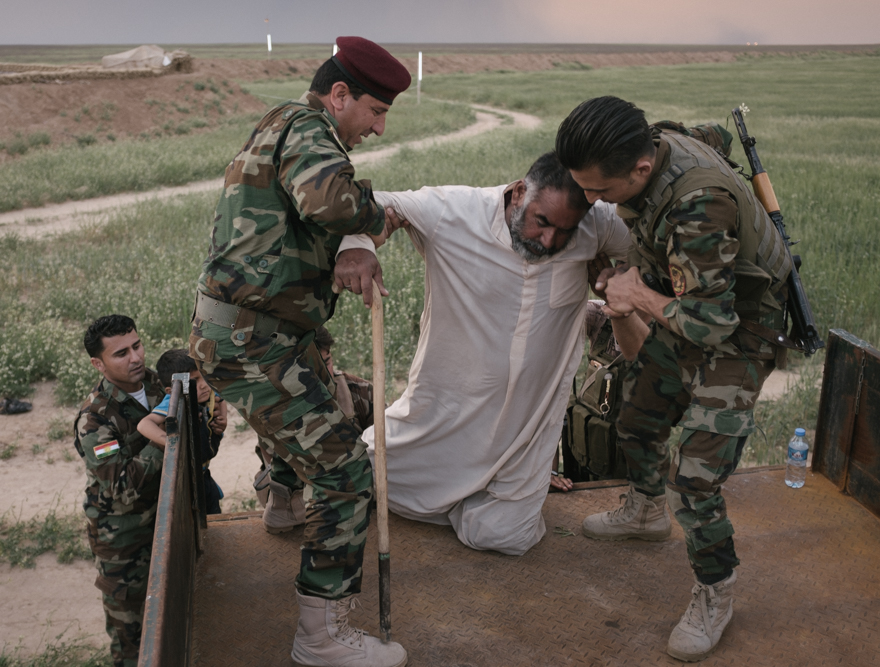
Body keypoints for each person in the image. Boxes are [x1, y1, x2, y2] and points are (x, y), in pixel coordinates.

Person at [187, 36, 411, 667]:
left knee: (319, 375)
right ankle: (321, 636)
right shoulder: (312, 130)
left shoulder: (282, 122)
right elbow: (332, 201)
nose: (378, 126)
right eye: (374, 110)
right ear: (338, 95)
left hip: (259, 331)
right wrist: (376, 216)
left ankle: (283, 502)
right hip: (250, 340)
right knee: (344, 473)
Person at [555, 96, 792, 662]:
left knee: (697, 476)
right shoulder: (659, 136)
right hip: (691, 303)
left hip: (741, 330)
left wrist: (636, 294)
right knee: (637, 415)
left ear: (640, 168)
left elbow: (712, 326)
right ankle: (645, 511)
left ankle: (715, 591)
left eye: (600, 191)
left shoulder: (700, 206)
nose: (591, 201)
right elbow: (715, 135)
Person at [333, 152, 638, 556]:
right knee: (357, 478)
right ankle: (451, 491)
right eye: (541, 222)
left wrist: (622, 277)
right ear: (516, 193)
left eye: (564, 232)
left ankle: (486, 496)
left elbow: (646, 248)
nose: (548, 242)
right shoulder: (451, 210)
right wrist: (356, 246)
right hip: (443, 421)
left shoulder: (596, 226)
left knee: (504, 537)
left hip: (523, 438)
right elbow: (365, 208)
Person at [74, 314, 165, 667]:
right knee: (133, 639)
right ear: (98, 363)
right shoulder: (95, 420)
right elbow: (123, 485)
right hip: (124, 544)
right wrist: (167, 434)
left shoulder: (159, 386)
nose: (136, 358)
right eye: (121, 353)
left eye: (137, 346)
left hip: (166, 521)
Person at [253, 326, 374, 531]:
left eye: (326, 362)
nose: (322, 372)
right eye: (311, 366)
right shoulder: (277, 407)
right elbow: (277, 467)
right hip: (299, 496)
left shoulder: (359, 393)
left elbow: (389, 444)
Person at [138, 348, 228, 514]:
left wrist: (223, 419)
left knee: (213, 515)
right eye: (195, 380)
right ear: (172, 391)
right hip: (185, 483)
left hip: (204, 474)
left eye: (204, 376)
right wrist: (171, 441)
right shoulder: (174, 400)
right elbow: (144, 424)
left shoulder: (207, 391)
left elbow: (220, 399)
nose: (204, 385)